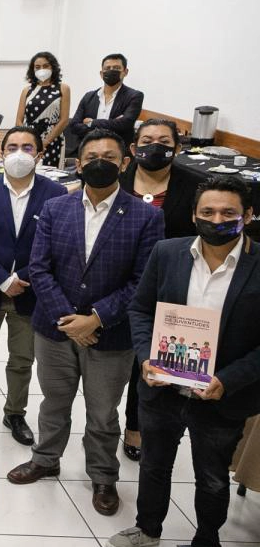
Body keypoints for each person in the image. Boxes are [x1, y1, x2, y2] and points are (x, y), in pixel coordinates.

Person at [7, 129, 164, 518]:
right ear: (78, 164)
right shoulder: (56, 207)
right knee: (54, 401)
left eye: (109, 157)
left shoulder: (147, 216)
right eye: (91, 157)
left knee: (103, 412)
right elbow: (39, 268)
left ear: (124, 163)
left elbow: (143, 281)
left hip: (110, 335)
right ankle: (46, 459)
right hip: (55, 329)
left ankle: (103, 475)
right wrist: (69, 319)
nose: (99, 163)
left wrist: (95, 318)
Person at [106, 176, 260, 547]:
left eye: (228, 213)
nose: (216, 219)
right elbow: (141, 310)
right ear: (194, 215)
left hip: (222, 394)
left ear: (248, 216)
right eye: (208, 212)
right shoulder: (167, 252)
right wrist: (146, 358)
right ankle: (147, 527)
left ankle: (207, 544)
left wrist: (228, 380)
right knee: (154, 465)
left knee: (212, 476)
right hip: (163, 387)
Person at [0, 126, 67, 445]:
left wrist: (24, 277)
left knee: (22, 358)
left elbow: (56, 246)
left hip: (32, 291)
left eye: (28, 148)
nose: (20, 153)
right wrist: (2, 279)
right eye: (13, 147)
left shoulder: (56, 194)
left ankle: (15, 412)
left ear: (40, 154)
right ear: (1, 153)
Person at [119, 118, 200, 460]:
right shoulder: (116, 176)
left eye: (164, 142)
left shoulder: (194, 185)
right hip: (117, 282)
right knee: (113, 358)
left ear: (177, 148)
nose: (155, 146)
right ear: (133, 147)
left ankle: (136, 427)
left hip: (169, 287)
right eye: (147, 140)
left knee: (150, 360)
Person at [67, 53, 144, 144]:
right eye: (107, 68)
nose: (111, 71)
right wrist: (113, 123)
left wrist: (91, 123)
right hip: (88, 146)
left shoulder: (134, 96)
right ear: (101, 73)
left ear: (125, 72)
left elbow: (125, 124)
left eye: (116, 68)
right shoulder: (89, 96)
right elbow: (74, 125)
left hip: (118, 148)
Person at [14, 52, 70, 167]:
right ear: (33, 69)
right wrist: (28, 140)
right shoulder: (27, 90)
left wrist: (45, 142)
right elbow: (19, 120)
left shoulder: (63, 88)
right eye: (37, 67)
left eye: (45, 66)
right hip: (29, 141)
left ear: (53, 67)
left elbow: (64, 120)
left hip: (52, 140)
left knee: (50, 173)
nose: (41, 69)